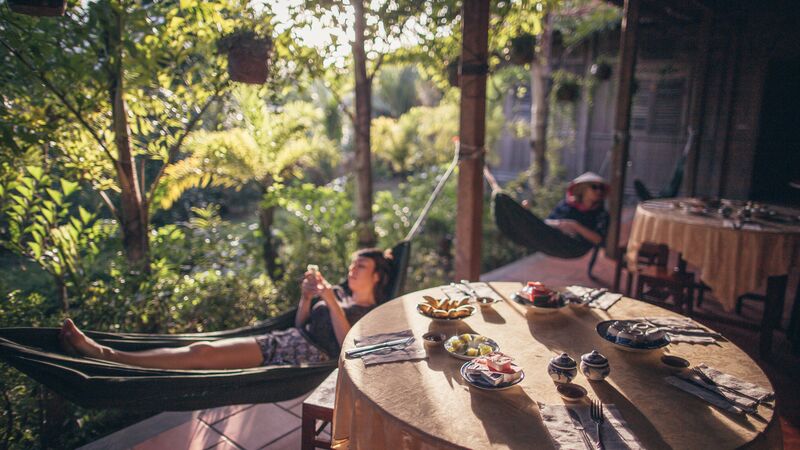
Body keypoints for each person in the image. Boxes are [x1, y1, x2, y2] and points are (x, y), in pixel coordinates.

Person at [59, 248, 393, 370]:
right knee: (199, 349)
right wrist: (307, 298)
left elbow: (346, 345)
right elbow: (301, 323)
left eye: (360, 267)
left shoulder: (373, 312)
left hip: (298, 358)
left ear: (376, 276)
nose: (352, 270)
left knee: (201, 353)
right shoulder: (334, 292)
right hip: (282, 340)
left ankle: (107, 355)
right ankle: (111, 354)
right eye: (351, 264)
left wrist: (330, 301)